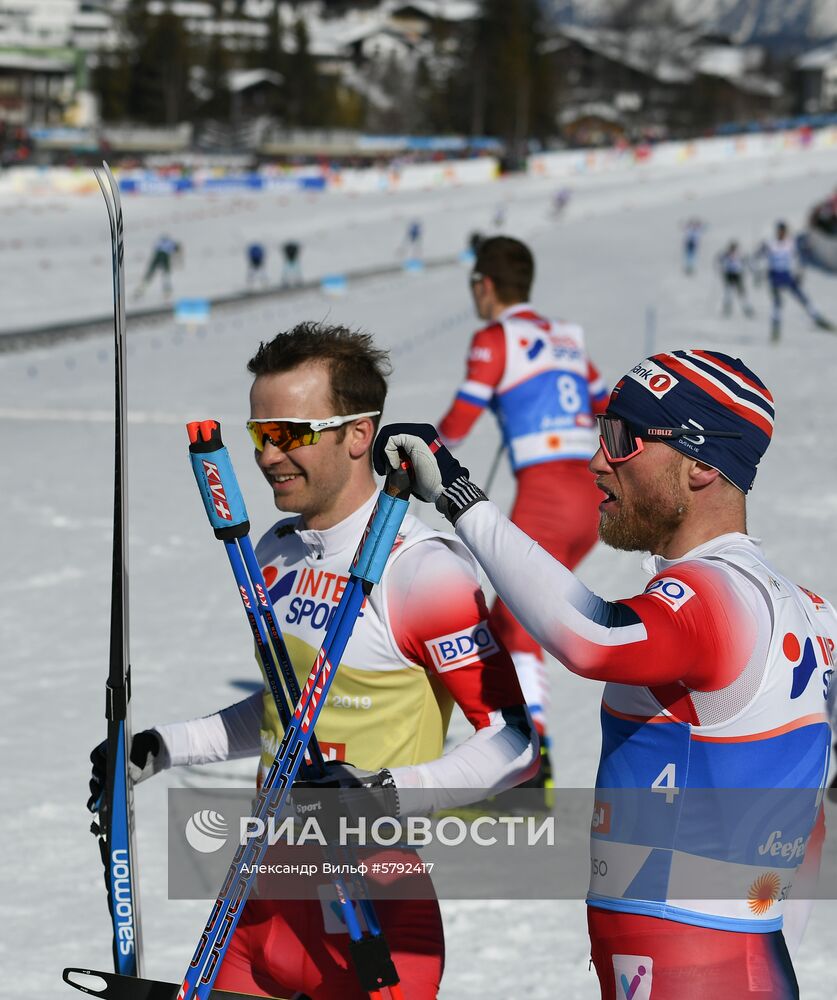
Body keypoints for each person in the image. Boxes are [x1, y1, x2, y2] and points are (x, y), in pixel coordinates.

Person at [88, 323, 536, 1000]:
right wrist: (162, 747)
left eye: (288, 434)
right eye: (258, 435)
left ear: (358, 435)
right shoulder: (275, 550)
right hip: (260, 901)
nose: (268, 457)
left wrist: (381, 791)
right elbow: (285, 712)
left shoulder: (423, 573)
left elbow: (514, 746)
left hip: (369, 912)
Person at [375, 348, 835, 999]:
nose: (595, 462)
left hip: (698, 964)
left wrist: (459, 496)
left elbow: (591, 639)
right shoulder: (805, 608)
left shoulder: (719, 597)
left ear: (701, 464)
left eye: (621, 440)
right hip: (716, 954)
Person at [437, 235, 608, 792]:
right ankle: (524, 754)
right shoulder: (565, 338)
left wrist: (416, 450)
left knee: (516, 622)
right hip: (589, 493)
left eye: (472, 287)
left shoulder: (494, 337)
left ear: (485, 285)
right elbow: (606, 408)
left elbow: (459, 420)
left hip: (547, 493)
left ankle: (528, 763)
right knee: (516, 617)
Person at [755, 221, 834, 341]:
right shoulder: (771, 244)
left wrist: (799, 272)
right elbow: (759, 257)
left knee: (802, 298)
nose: (782, 233)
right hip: (775, 276)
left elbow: (798, 258)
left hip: (787, 275)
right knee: (777, 304)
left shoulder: (790, 243)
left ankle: (817, 318)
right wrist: (758, 271)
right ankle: (776, 329)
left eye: (784, 231)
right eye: (780, 231)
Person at [136, 233, 180, 298]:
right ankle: (167, 290)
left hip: (158, 256)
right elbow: (176, 249)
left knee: (152, 273)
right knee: (165, 274)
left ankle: (142, 287)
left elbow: (155, 248)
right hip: (164, 256)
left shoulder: (159, 242)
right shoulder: (170, 243)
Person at [717, 240, 754, 318]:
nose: (732, 250)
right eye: (732, 248)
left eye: (734, 248)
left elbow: (746, 261)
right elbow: (719, 259)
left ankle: (746, 307)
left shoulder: (739, 254)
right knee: (728, 292)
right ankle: (727, 307)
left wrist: (749, 268)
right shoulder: (726, 254)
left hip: (737, 274)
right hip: (729, 274)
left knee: (741, 292)